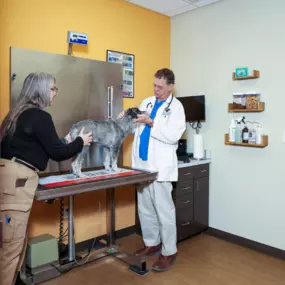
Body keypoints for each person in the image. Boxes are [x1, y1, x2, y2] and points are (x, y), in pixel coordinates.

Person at [0, 72, 93, 285]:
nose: (55, 93)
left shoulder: (15, 114)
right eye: (53, 89)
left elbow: (38, 147)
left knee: (11, 240)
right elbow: (57, 153)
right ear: (40, 91)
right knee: (11, 247)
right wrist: (80, 141)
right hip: (17, 183)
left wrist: (64, 141)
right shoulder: (40, 117)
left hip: (7, 178)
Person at [120, 68, 186, 272]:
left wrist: (152, 122)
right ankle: (152, 243)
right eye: (154, 85)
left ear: (170, 86)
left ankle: (169, 252)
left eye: (160, 86)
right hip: (142, 165)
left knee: (164, 211)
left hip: (160, 168)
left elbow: (173, 136)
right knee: (145, 209)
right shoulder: (147, 102)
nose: (156, 89)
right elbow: (134, 128)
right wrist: (126, 118)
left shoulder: (176, 107)